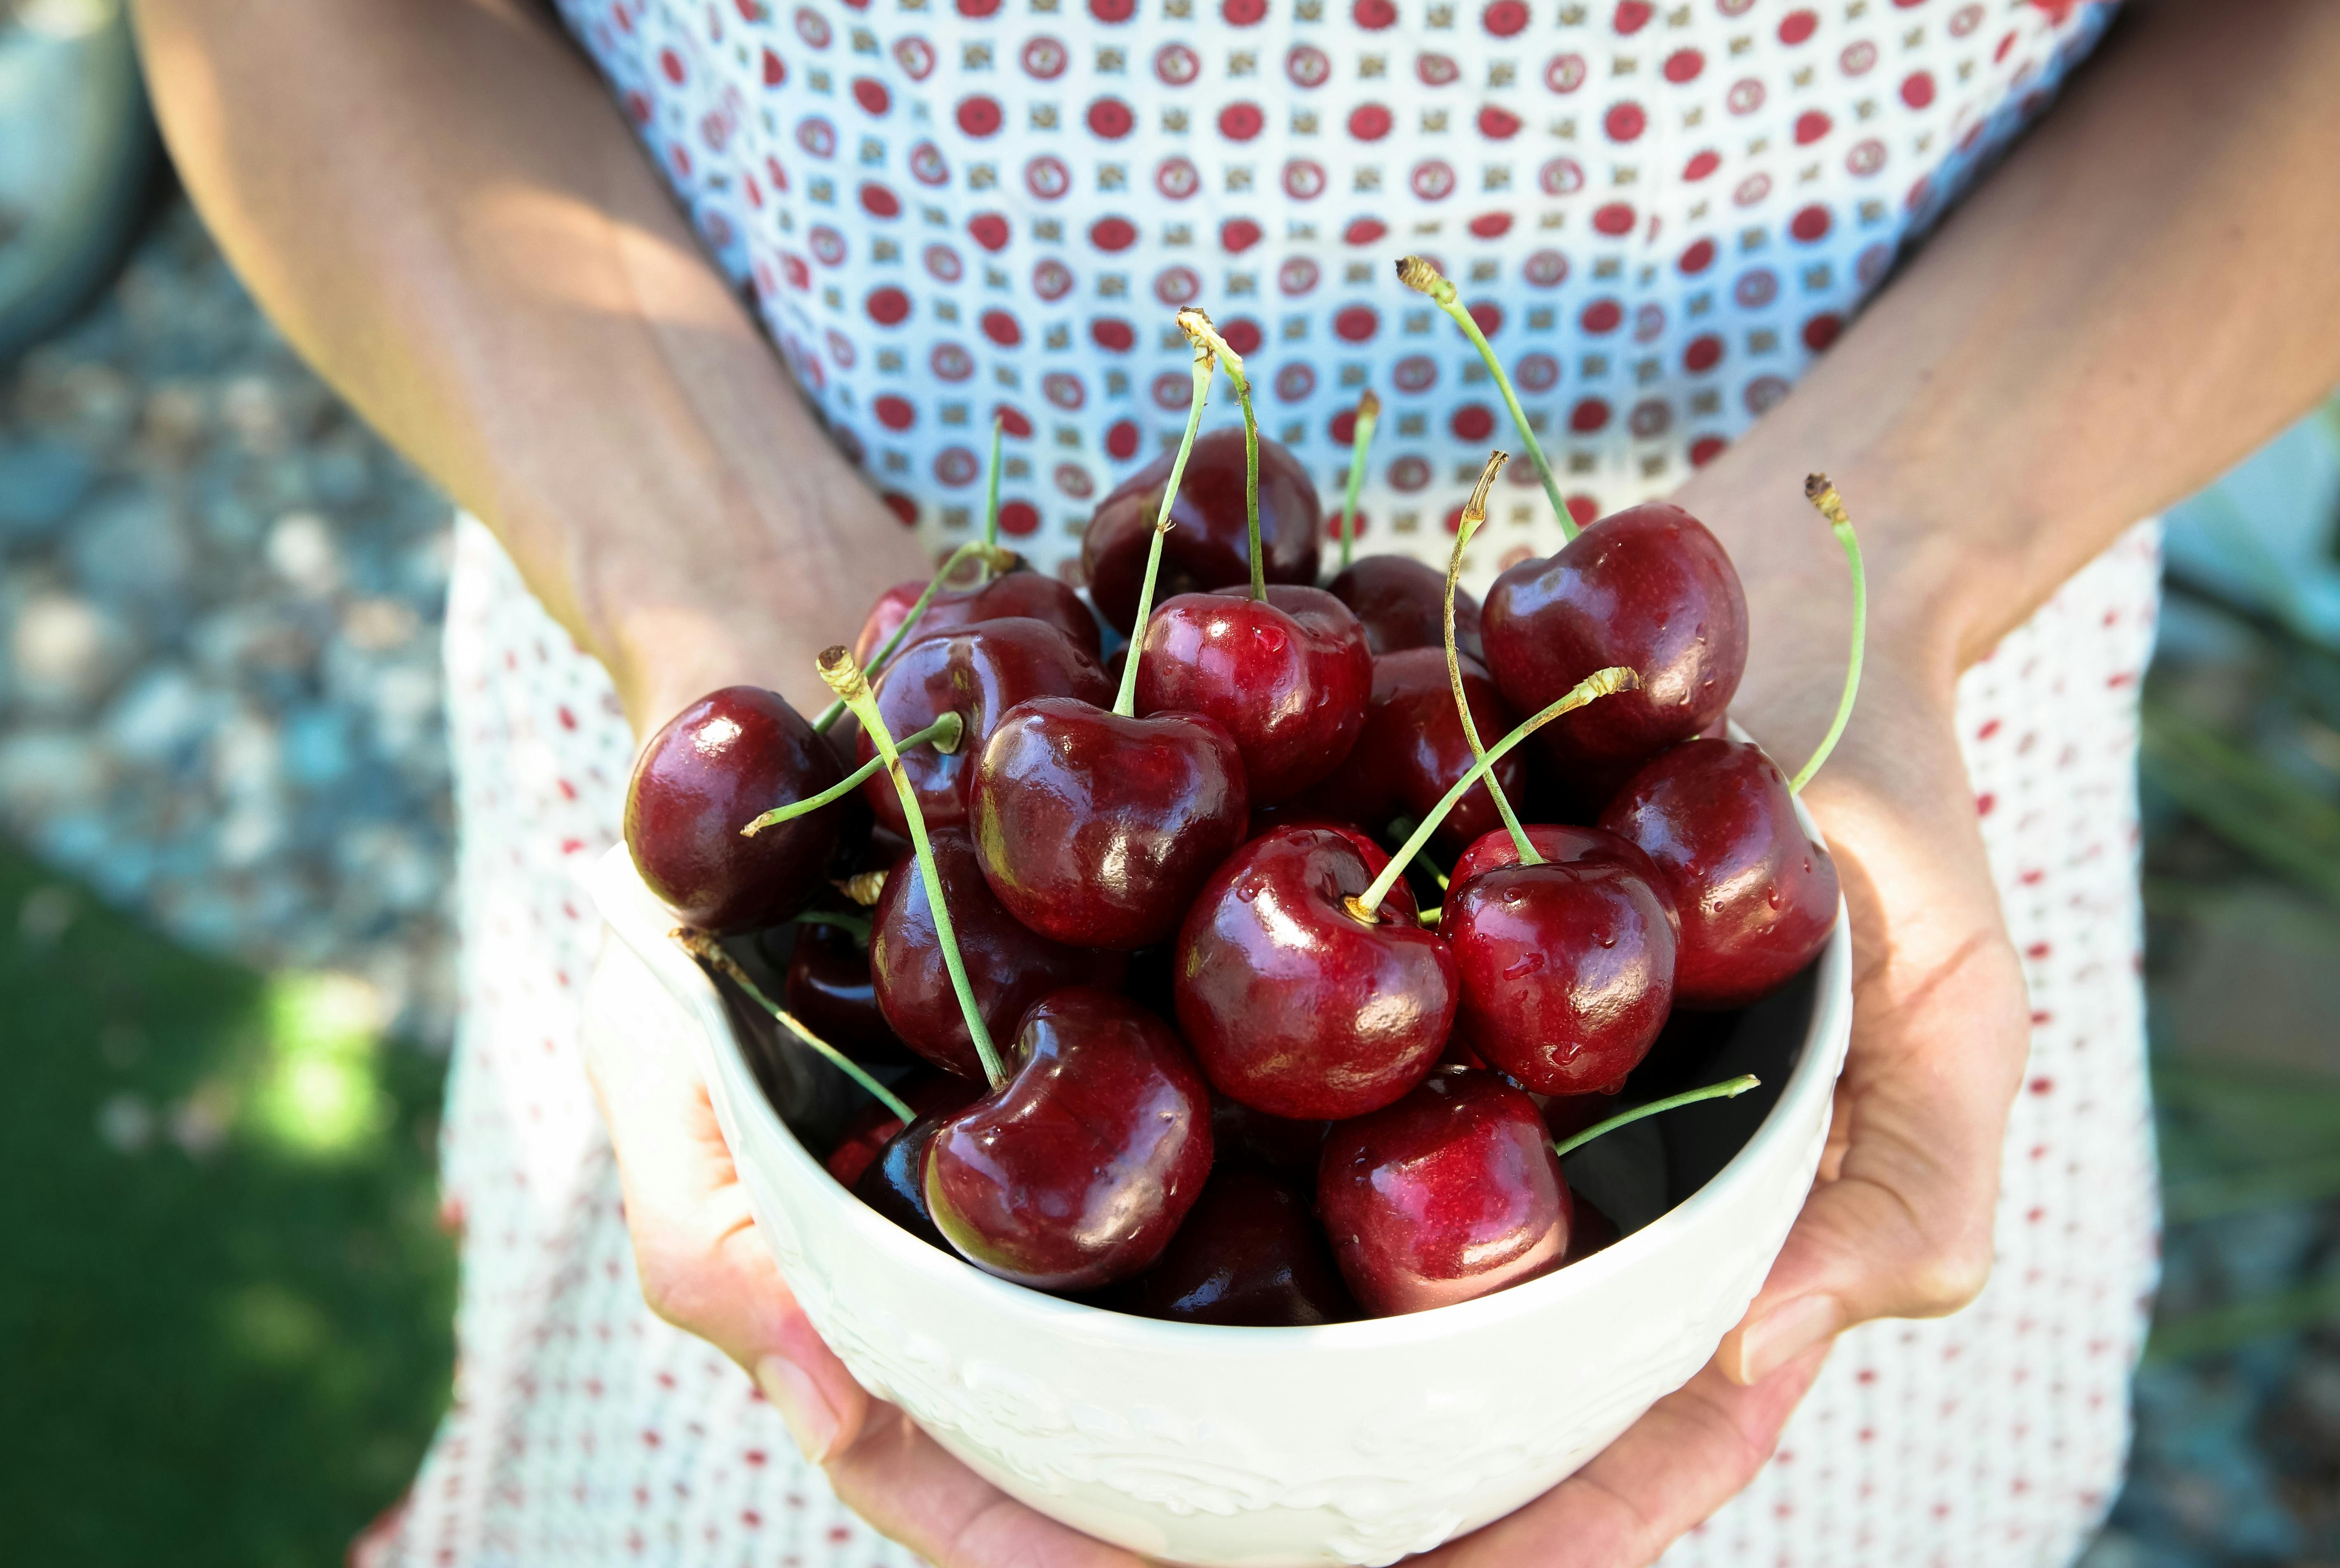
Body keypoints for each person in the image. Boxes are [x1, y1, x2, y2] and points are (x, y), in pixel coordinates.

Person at [132, 0, 2340, 1562]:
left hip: (1839, 738)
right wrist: (698, 569)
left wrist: (1918, 557)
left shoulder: (1592, 839)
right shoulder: (914, 835)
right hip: (796, 692)